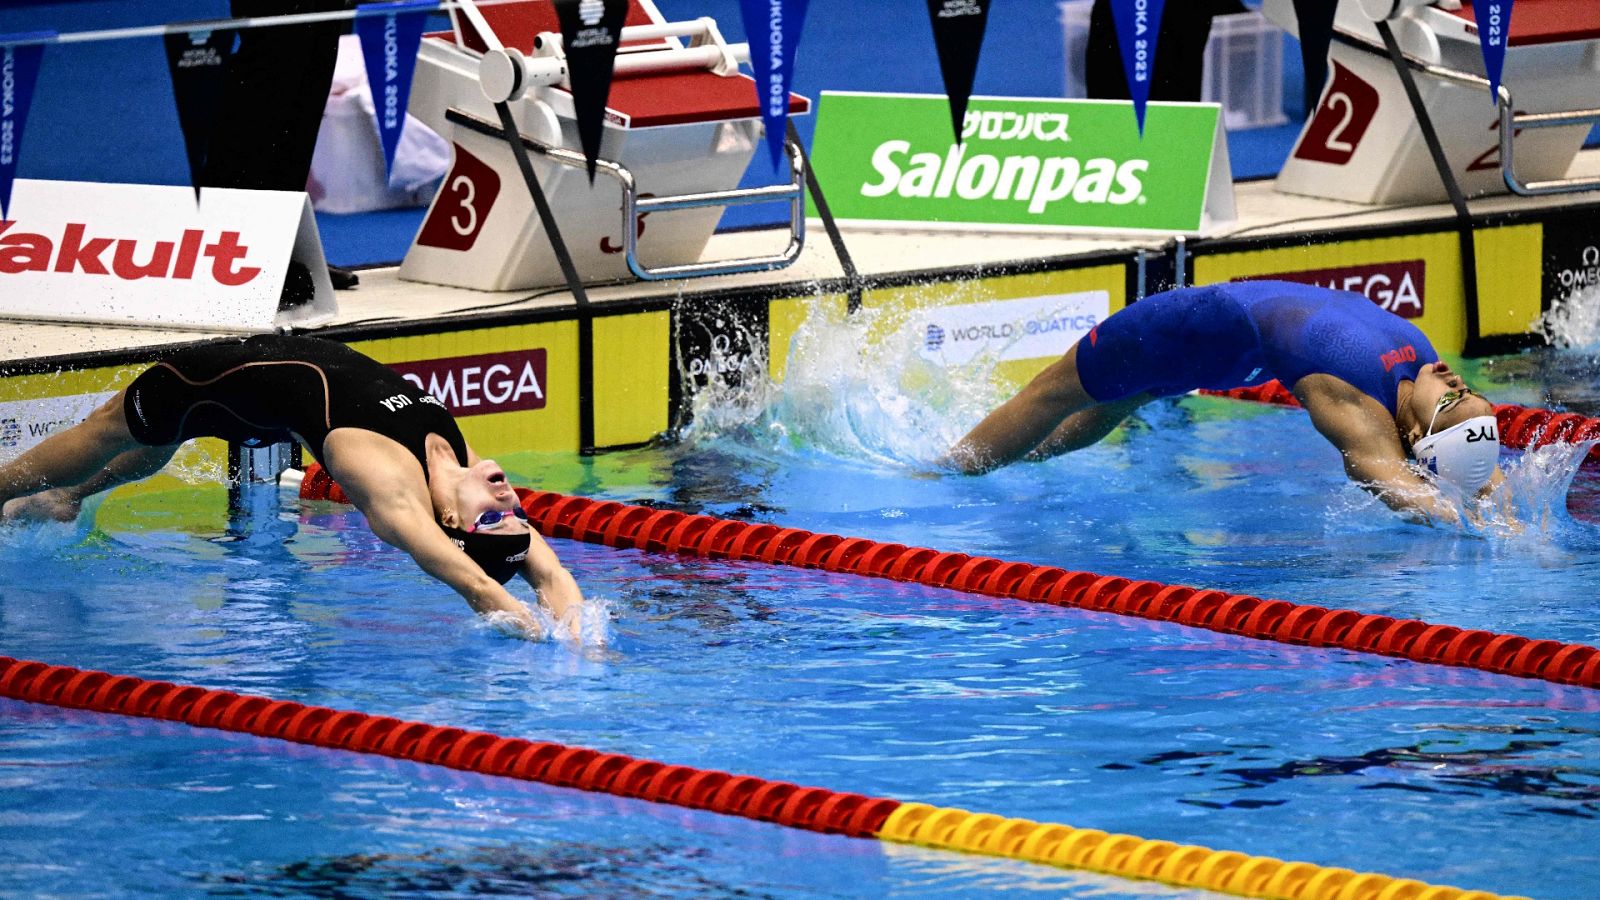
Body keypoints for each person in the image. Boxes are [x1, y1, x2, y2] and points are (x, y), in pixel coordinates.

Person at [0, 334, 582, 638]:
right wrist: (583, 637)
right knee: (150, 442)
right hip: (248, 392)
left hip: (214, 382)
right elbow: (549, 573)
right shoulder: (456, 463)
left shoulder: (393, 489)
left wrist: (525, 629)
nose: (510, 501)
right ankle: (59, 496)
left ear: (450, 521)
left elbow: (476, 583)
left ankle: (21, 491)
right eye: (516, 513)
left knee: (112, 431)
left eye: (494, 517)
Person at [943, 281, 1504, 524]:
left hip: (1194, 341)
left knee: (1085, 400)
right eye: (1468, 389)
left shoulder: (1360, 402)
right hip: (1191, 336)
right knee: (1062, 397)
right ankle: (958, 464)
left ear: (1417, 433)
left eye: (1453, 398)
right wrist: (1500, 515)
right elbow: (1466, 466)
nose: (1453, 379)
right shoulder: (1421, 365)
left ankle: (949, 469)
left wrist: (1459, 521)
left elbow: (1380, 472)